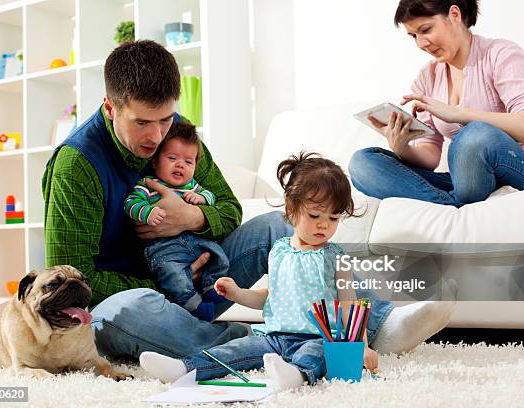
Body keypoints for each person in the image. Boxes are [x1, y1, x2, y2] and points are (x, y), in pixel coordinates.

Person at [42, 39, 454, 361]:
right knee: (133, 310)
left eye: (165, 118)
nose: (156, 135)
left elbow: (228, 208)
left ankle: (378, 325)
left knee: (281, 227)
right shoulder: (77, 164)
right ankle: (250, 345)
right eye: (142, 122)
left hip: (203, 273)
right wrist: (166, 283)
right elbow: (72, 276)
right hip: (140, 297)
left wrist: (192, 220)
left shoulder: (176, 135)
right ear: (110, 108)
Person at [139, 152, 379, 389]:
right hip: (273, 338)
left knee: (317, 355)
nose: (324, 225)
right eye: (315, 215)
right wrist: (238, 294)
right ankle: (184, 368)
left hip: (319, 338)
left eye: (334, 218)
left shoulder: (337, 258)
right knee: (235, 350)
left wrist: (363, 347)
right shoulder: (278, 251)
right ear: (291, 208)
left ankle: (296, 375)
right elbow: (270, 297)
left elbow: (351, 307)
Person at [349, 0, 524, 207]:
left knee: (475, 135)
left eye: (426, 30)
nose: (421, 43)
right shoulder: (428, 77)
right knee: (363, 163)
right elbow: (430, 156)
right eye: (413, 35)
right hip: (470, 185)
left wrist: (461, 114)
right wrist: (402, 147)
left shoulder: (501, 54)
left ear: (454, 14)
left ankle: (449, 206)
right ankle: (450, 205)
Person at [124, 122, 228, 321]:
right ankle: (193, 304)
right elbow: (130, 203)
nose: (180, 164)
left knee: (219, 255)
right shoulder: (148, 184)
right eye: (172, 158)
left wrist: (202, 200)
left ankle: (211, 284)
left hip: (195, 241)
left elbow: (212, 196)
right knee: (173, 275)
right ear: (155, 162)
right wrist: (146, 211)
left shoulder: (192, 186)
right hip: (164, 248)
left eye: (188, 162)